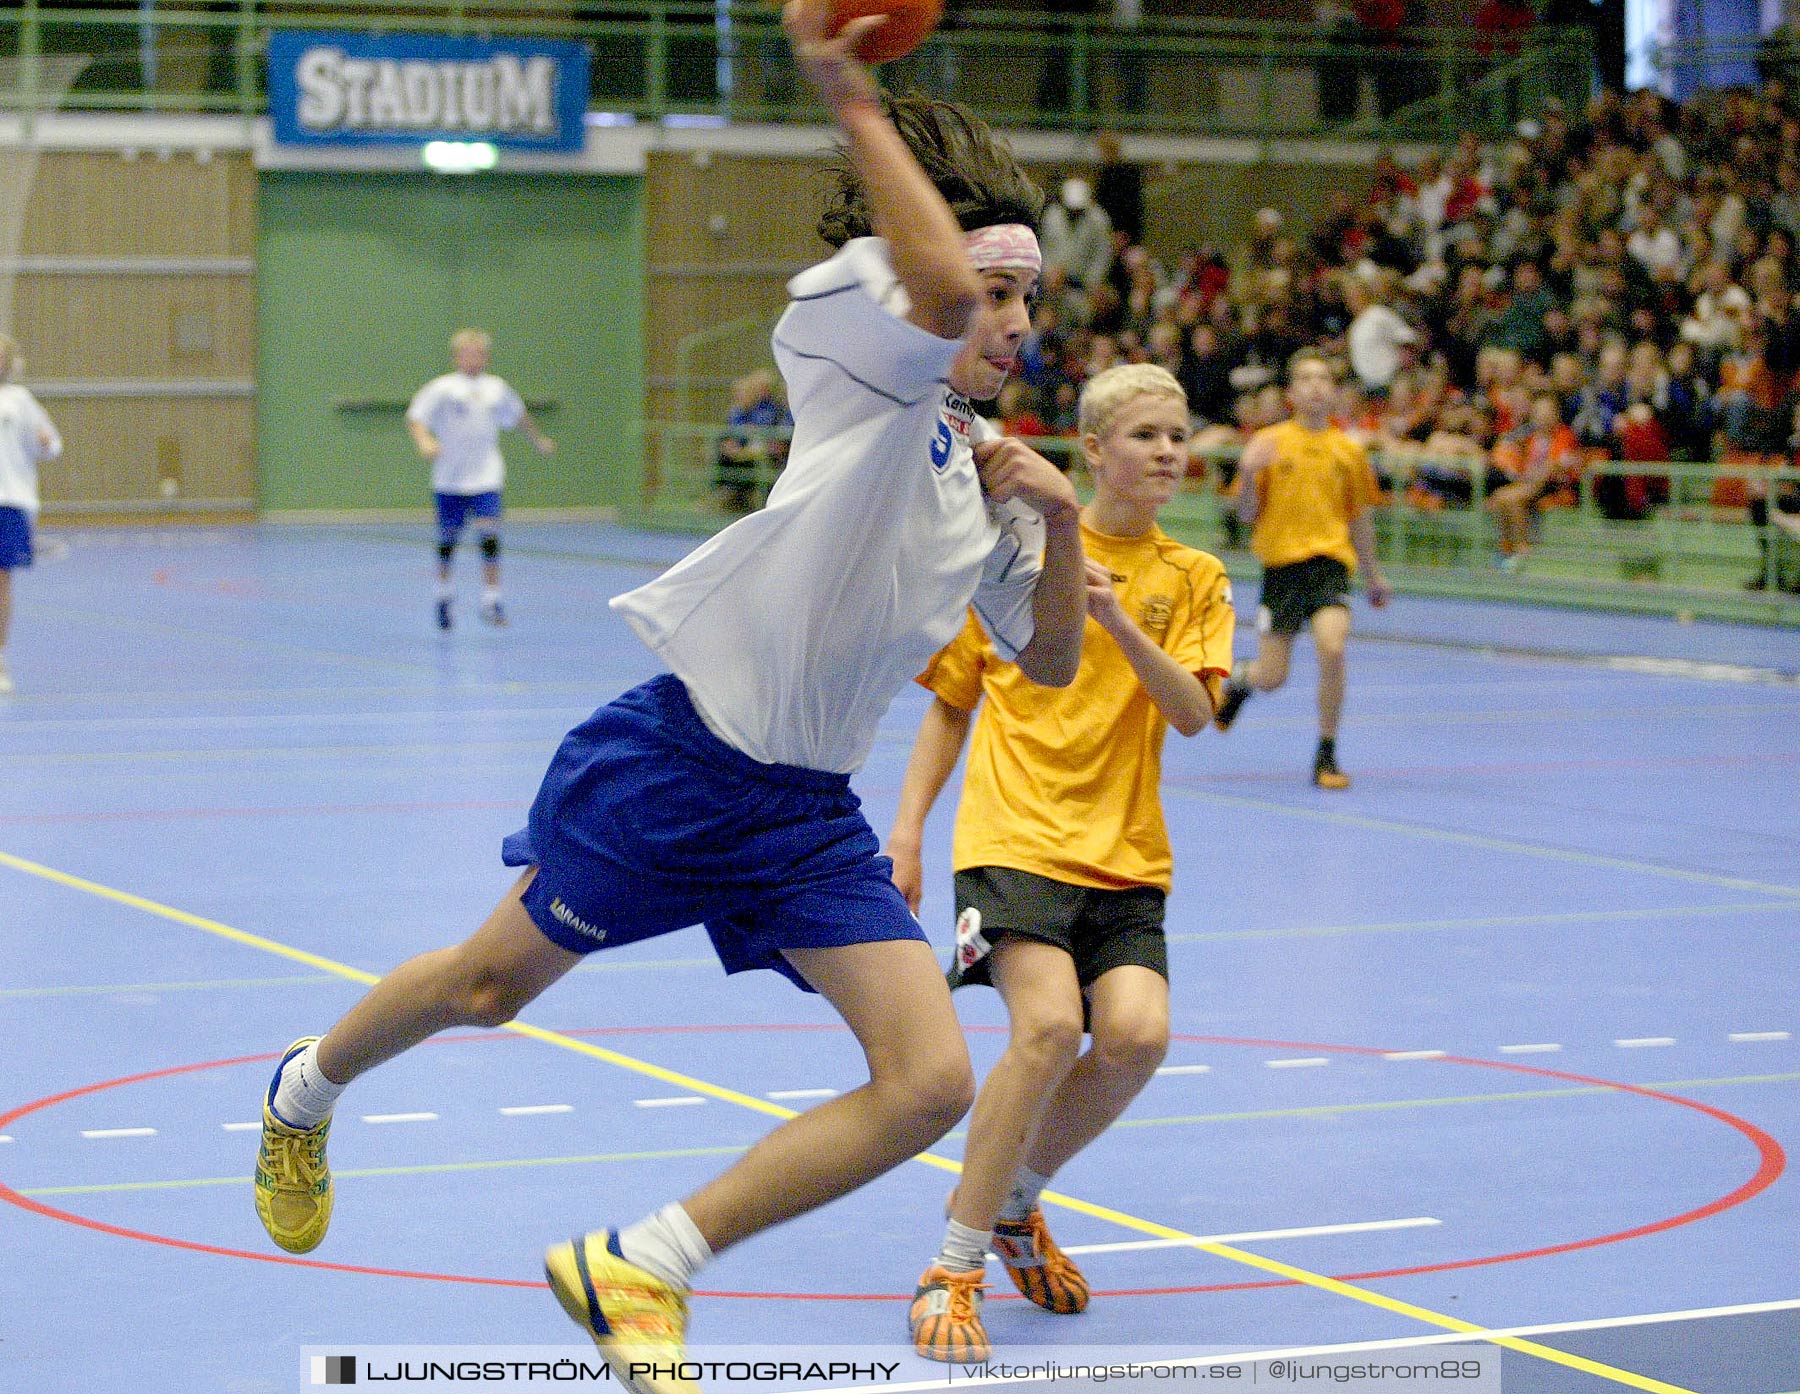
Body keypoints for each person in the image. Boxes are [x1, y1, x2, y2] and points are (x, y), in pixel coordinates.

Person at [251, 7, 1089, 1392]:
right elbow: (933, 293)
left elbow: (1050, 666)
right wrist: (841, 86)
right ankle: (304, 1087)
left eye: (1029, 300)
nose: (1009, 321)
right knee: (484, 988)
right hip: (682, 761)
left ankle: (647, 1259)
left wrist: (1060, 525)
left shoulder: (990, 470)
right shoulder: (851, 344)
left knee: (931, 1079)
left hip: (804, 809)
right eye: (998, 292)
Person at [887, 363, 1235, 1362]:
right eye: (1145, 434)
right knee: (1046, 1028)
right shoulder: (1009, 558)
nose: (1168, 449)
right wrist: (908, 829)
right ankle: (953, 1260)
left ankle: (1016, 1202)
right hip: (1014, 837)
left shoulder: (1194, 577)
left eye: (1179, 433)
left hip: (1125, 851)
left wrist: (1118, 618)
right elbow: (952, 700)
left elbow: (1196, 711)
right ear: (1093, 449)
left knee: (1135, 1036)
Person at [1211, 349, 1391, 789]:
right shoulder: (1269, 444)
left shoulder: (1348, 451)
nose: (1315, 386)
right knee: (1272, 677)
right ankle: (1240, 683)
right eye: (1305, 379)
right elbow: (1248, 515)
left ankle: (1326, 754)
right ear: (1291, 392)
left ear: (1333, 391)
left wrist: (1373, 574)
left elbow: (1360, 517)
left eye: (1323, 379)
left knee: (1332, 647)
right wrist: (1250, 475)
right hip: (1282, 570)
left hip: (1330, 566)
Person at [406, 328, 555, 630]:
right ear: (456, 357)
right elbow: (416, 417)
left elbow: (519, 416)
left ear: (486, 357)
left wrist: (538, 440)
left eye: (478, 353)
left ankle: (491, 599)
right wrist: (424, 441)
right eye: (466, 353)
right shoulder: (443, 388)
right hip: (450, 478)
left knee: (488, 535)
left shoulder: (496, 389)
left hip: (486, 476)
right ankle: (443, 595)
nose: (472, 358)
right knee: (448, 538)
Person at [0, 335, 63, 696]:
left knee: (2, 582)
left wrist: (45, 443)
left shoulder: (20, 402)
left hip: (8, 501)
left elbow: (51, 445)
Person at [712, 368, 792, 514]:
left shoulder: (777, 410)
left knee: (759, 462)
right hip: (749, 449)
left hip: (771, 452)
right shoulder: (743, 411)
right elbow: (731, 433)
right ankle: (730, 495)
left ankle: (755, 500)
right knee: (728, 457)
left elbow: (776, 434)